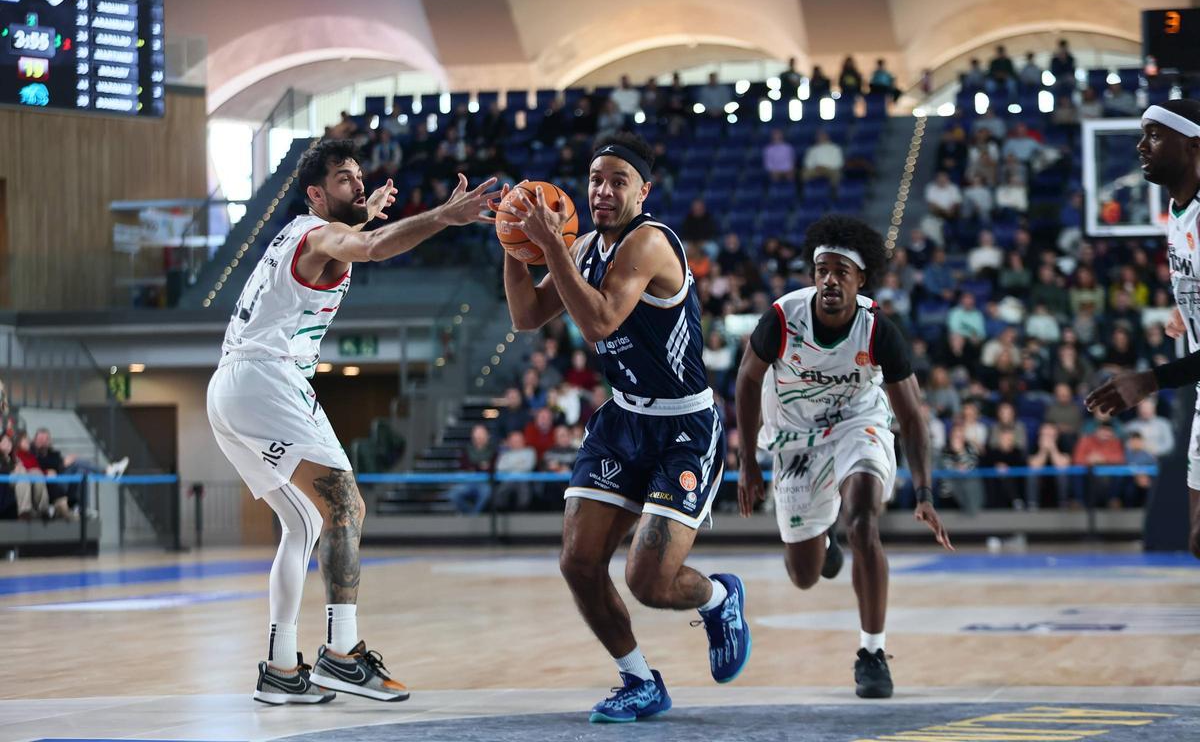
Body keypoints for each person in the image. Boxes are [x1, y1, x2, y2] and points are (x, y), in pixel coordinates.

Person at [206, 138, 498, 704]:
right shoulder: (321, 234)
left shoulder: (299, 233)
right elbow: (370, 247)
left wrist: (362, 211)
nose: (359, 184)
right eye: (345, 178)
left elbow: (352, 234)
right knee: (346, 505)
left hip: (229, 387)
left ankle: (280, 668)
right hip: (267, 378)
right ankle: (341, 654)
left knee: (302, 525)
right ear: (316, 195)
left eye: (360, 176)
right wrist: (444, 216)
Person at [501, 130, 750, 723]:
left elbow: (601, 321)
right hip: (623, 418)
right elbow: (527, 315)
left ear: (644, 191)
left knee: (649, 581)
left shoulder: (650, 242)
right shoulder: (584, 246)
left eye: (618, 180)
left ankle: (719, 597)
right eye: (595, 179)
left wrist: (549, 247)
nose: (603, 191)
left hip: (684, 425)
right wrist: (513, 243)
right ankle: (639, 681)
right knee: (578, 563)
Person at [734, 215, 952, 700]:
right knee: (803, 576)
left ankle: (872, 652)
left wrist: (923, 492)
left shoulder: (878, 330)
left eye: (841, 272)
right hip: (795, 435)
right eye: (822, 271)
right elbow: (747, 381)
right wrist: (747, 461)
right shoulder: (782, 318)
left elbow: (911, 416)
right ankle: (823, 542)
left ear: (860, 280)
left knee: (864, 523)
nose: (829, 280)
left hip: (858, 422)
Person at [1084, 98, 1200, 558]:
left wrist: (1151, 380)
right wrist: (1186, 308)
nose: (1141, 145)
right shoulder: (1178, 210)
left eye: (1154, 135)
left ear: (1193, 146)